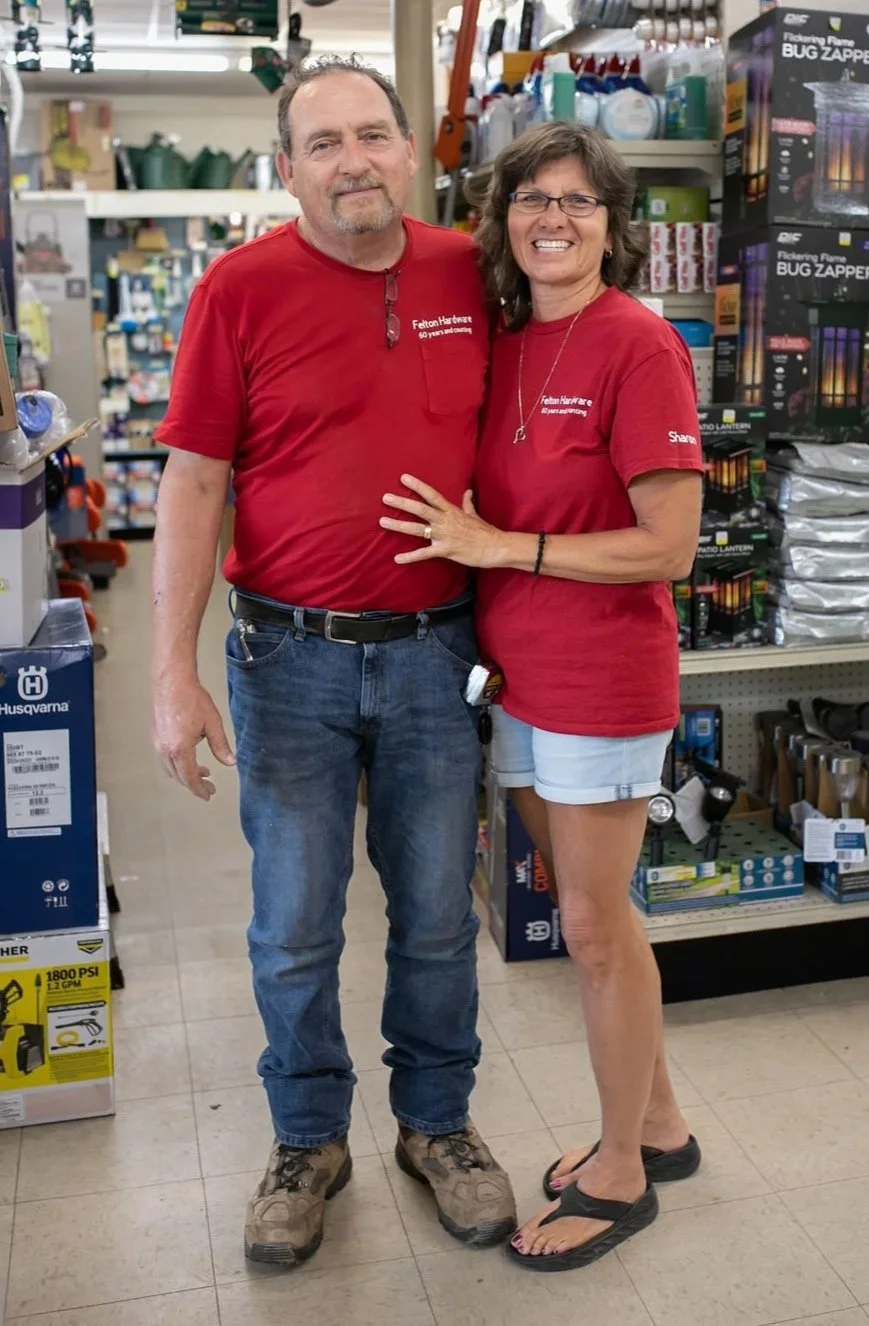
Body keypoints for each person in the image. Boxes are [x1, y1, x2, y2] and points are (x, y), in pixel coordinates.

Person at [150, 55, 516, 1269]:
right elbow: (195, 480)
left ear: (408, 150)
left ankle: (435, 1124)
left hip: (434, 657)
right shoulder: (237, 289)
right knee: (293, 924)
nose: (351, 160)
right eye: (322, 143)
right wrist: (171, 670)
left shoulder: (474, 270)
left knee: (432, 919)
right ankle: (308, 1136)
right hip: (285, 660)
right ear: (286, 167)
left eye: (371, 135)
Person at [379, 120, 705, 1273]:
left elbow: (667, 545)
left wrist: (496, 544)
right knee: (590, 919)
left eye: (575, 201)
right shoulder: (507, 340)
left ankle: (620, 1170)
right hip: (511, 674)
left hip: (602, 680)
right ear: (500, 218)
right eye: (529, 200)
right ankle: (658, 1122)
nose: (550, 220)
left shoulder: (636, 344)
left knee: (590, 927)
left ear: (609, 225)